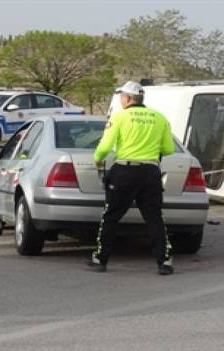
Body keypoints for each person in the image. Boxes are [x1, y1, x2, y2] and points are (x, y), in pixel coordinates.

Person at [87, 81, 175, 275]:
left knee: (111, 216)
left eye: (121, 97)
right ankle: (164, 262)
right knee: (154, 218)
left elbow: (104, 146)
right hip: (150, 172)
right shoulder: (160, 118)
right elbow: (169, 149)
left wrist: (97, 160)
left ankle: (101, 259)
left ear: (127, 98)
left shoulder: (119, 117)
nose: (120, 100)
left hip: (124, 171)